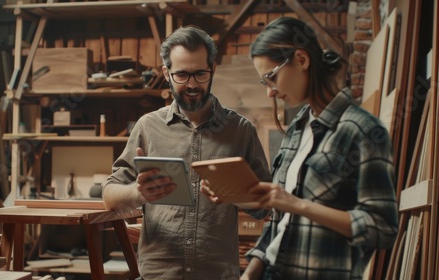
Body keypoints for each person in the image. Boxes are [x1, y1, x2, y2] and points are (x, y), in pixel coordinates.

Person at [230, 17, 398, 279]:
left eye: (271, 77)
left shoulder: (364, 131)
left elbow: (382, 229)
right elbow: (280, 221)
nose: (270, 93)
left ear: (301, 60)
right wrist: (251, 271)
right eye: (265, 83)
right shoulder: (297, 128)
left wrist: (299, 205)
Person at [102, 25, 272, 280]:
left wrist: (235, 194)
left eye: (200, 74)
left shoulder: (240, 130)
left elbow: (266, 205)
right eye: (181, 75)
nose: (192, 85)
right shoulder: (147, 127)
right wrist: (137, 193)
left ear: (212, 69)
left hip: (217, 274)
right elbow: (109, 196)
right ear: (166, 73)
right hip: (159, 274)